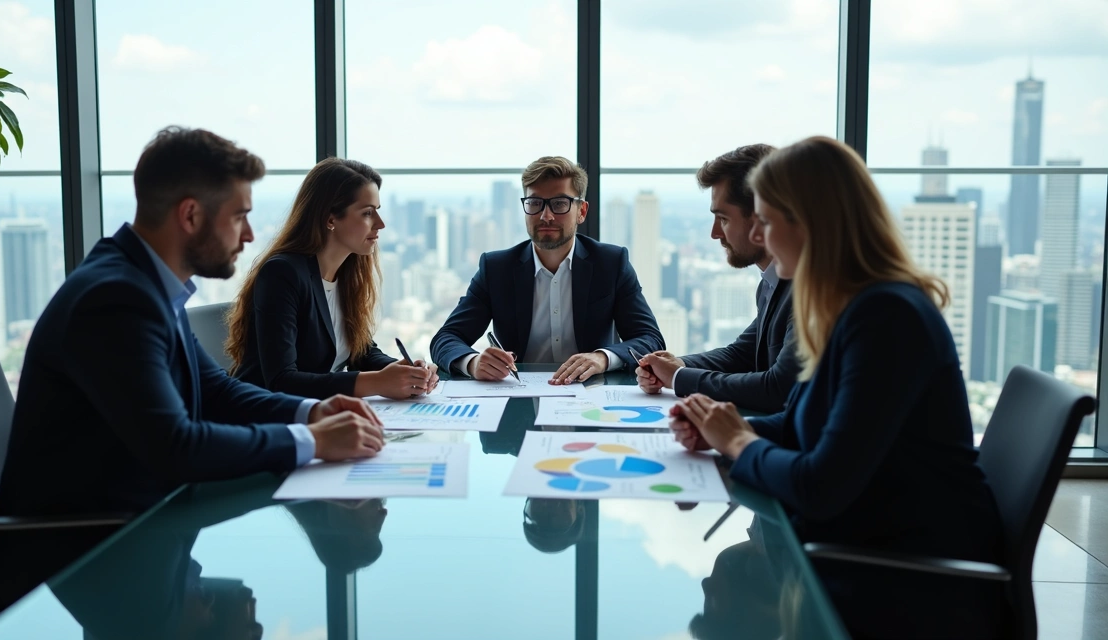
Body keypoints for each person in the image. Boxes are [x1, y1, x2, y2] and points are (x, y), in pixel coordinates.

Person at [0, 127, 386, 611]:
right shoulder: (116, 299)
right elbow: (175, 446)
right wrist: (312, 442)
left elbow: (217, 390)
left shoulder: (146, 283)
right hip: (86, 555)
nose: (249, 234)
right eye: (239, 215)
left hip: (145, 524)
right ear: (191, 215)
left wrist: (312, 412)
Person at [669, 136, 1005, 637]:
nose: (758, 234)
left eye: (764, 220)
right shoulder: (846, 306)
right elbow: (806, 422)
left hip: (906, 583)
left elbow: (819, 486)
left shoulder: (887, 316)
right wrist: (726, 433)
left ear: (808, 223)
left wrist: (739, 442)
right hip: (870, 542)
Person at [430, 156, 664, 383]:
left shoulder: (611, 263)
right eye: (534, 203)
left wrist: (602, 358)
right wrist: (473, 363)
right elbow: (446, 338)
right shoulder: (496, 269)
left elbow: (651, 339)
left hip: (592, 396)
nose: (546, 216)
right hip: (518, 399)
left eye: (560, 204)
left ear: (581, 211)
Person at [227, 157, 437, 400]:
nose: (380, 224)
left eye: (377, 212)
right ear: (330, 219)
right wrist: (378, 382)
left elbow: (362, 353)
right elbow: (282, 381)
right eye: (367, 213)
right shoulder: (282, 274)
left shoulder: (347, 274)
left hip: (317, 415)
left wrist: (409, 372)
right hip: (263, 416)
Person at [636, 144, 798, 413]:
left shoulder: (808, 289)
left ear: (761, 218)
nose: (714, 233)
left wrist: (677, 378)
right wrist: (678, 365)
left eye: (723, 219)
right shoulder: (771, 283)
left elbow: (779, 388)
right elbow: (742, 354)